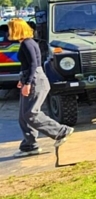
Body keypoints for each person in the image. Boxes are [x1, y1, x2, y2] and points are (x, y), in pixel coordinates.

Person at [10, 18, 73, 157]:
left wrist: (27, 83)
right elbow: (27, 64)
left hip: (35, 81)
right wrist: (22, 80)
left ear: (17, 29)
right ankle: (29, 145)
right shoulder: (26, 43)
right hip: (30, 78)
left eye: (11, 28)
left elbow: (34, 64)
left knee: (30, 113)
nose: (9, 32)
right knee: (23, 115)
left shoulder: (27, 43)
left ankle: (60, 131)